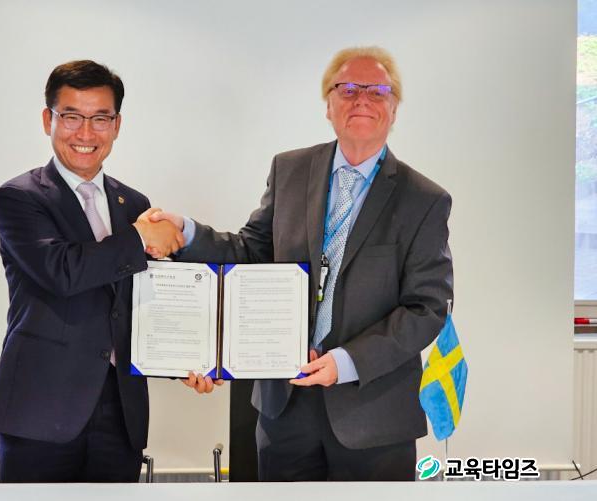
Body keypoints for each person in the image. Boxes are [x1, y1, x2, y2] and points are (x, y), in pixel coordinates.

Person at [153, 46, 453, 481]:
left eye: (377, 91)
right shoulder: (290, 170)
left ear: (394, 109)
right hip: (284, 410)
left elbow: (427, 308)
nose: (362, 99)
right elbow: (251, 252)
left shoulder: (423, 199)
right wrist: (186, 232)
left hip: (373, 417)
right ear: (328, 105)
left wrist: (346, 362)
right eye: (347, 89)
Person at [0, 60, 183, 482]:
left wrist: (190, 361)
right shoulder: (20, 198)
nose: (86, 133)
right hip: (40, 410)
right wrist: (140, 238)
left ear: (117, 125)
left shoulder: (134, 204)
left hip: (120, 411)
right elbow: (63, 271)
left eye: (100, 119)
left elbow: (144, 301)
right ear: (48, 120)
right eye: (71, 117)